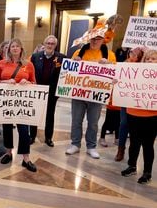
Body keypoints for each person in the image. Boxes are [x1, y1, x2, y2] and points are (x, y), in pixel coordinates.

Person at [65, 29, 116, 159]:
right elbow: (68, 71)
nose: (94, 41)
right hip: (79, 93)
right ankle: (75, 144)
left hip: (96, 94)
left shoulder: (109, 55)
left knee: (93, 122)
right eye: (92, 38)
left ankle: (91, 146)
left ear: (103, 40)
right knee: (76, 120)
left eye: (97, 39)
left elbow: (114, 74)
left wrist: (108, 64)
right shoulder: (78, 52)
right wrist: (74, 62)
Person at [0, 38, 37, 172]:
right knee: (6, 127)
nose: (15, 48)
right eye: (13, 46)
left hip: (22, 103)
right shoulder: (1, 63)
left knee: (24, 129)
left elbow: (34, 83)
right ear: (8, 49)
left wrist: (27, 82)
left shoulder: (28, 65)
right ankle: (8, 152)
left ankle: (26, 158)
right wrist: (5, 82)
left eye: (17, 46)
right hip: (6, 101)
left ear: (21, 49)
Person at [121, 49, 156, 184]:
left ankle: (147, 172)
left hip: (152, 115)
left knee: (148, 144)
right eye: (147, 59)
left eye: (153, 59)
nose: (150, 61)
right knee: (134, 142)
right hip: (133, 112)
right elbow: (123, 83)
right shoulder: (134, 72)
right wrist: (117, 83)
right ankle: (132, 166)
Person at [29, 35, 65, 147]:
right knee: (34, 114)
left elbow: (67, 73)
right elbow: (30, 72)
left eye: (52, 44)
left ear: (55, 45)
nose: (50, 45)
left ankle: (48, 138)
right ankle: (32, 136)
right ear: (44, 44)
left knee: (50, 115)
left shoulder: (62, 58)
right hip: (37, 90)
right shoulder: (35, 56)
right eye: (48, 43)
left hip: (52, 91)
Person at [115, 47, 144, 161]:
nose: (133, 54)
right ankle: (120, 150)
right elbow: (118, 76)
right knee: (123, 124)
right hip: (126, 100)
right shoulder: (125, 64)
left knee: (135, 128)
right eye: (132, 52)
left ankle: (133, 153)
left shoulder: (145, 65)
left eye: (137, 53)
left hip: (139, 100)